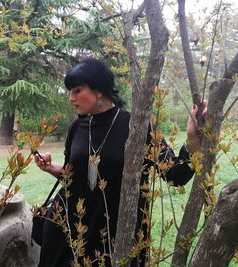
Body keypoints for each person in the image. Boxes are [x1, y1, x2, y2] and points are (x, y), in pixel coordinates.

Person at [34, 58, 204, 266]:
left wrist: (192, 141)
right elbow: (74, 179)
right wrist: (51, 168)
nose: (71, 98)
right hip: (69, 233)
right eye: (70, 91)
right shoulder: (76, 128)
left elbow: (176, 176)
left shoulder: (137, 127)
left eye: (77, 90)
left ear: (98, 90)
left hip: (115, 237)